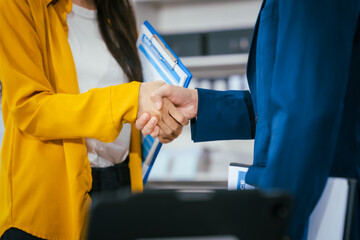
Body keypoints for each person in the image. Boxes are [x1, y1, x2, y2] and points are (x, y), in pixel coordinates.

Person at [136, 0, 360, 239]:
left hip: (311, 204)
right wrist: (200, 104)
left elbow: (304, 114)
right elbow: (285, 103)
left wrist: (270, 224)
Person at [0, 0, 187, 239]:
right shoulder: (18, 5)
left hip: (120, 187)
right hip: (49, 199)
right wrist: (132, 99)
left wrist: (159, 120)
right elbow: (30, 109)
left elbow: (129, 106)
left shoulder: (120, 9)